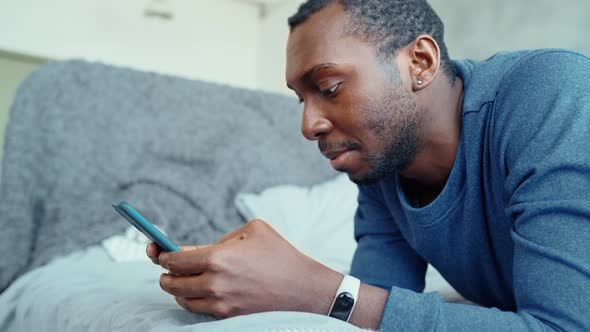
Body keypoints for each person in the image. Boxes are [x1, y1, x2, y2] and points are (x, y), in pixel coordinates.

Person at [147, 0, 590, 330]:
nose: (308, 125)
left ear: (420, 62)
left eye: (330, 87)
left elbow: (564, 327)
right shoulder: (383, 162)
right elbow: (371, 309)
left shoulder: (552, 94)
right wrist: (258, 282)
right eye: (302, 99)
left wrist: (318, 289)